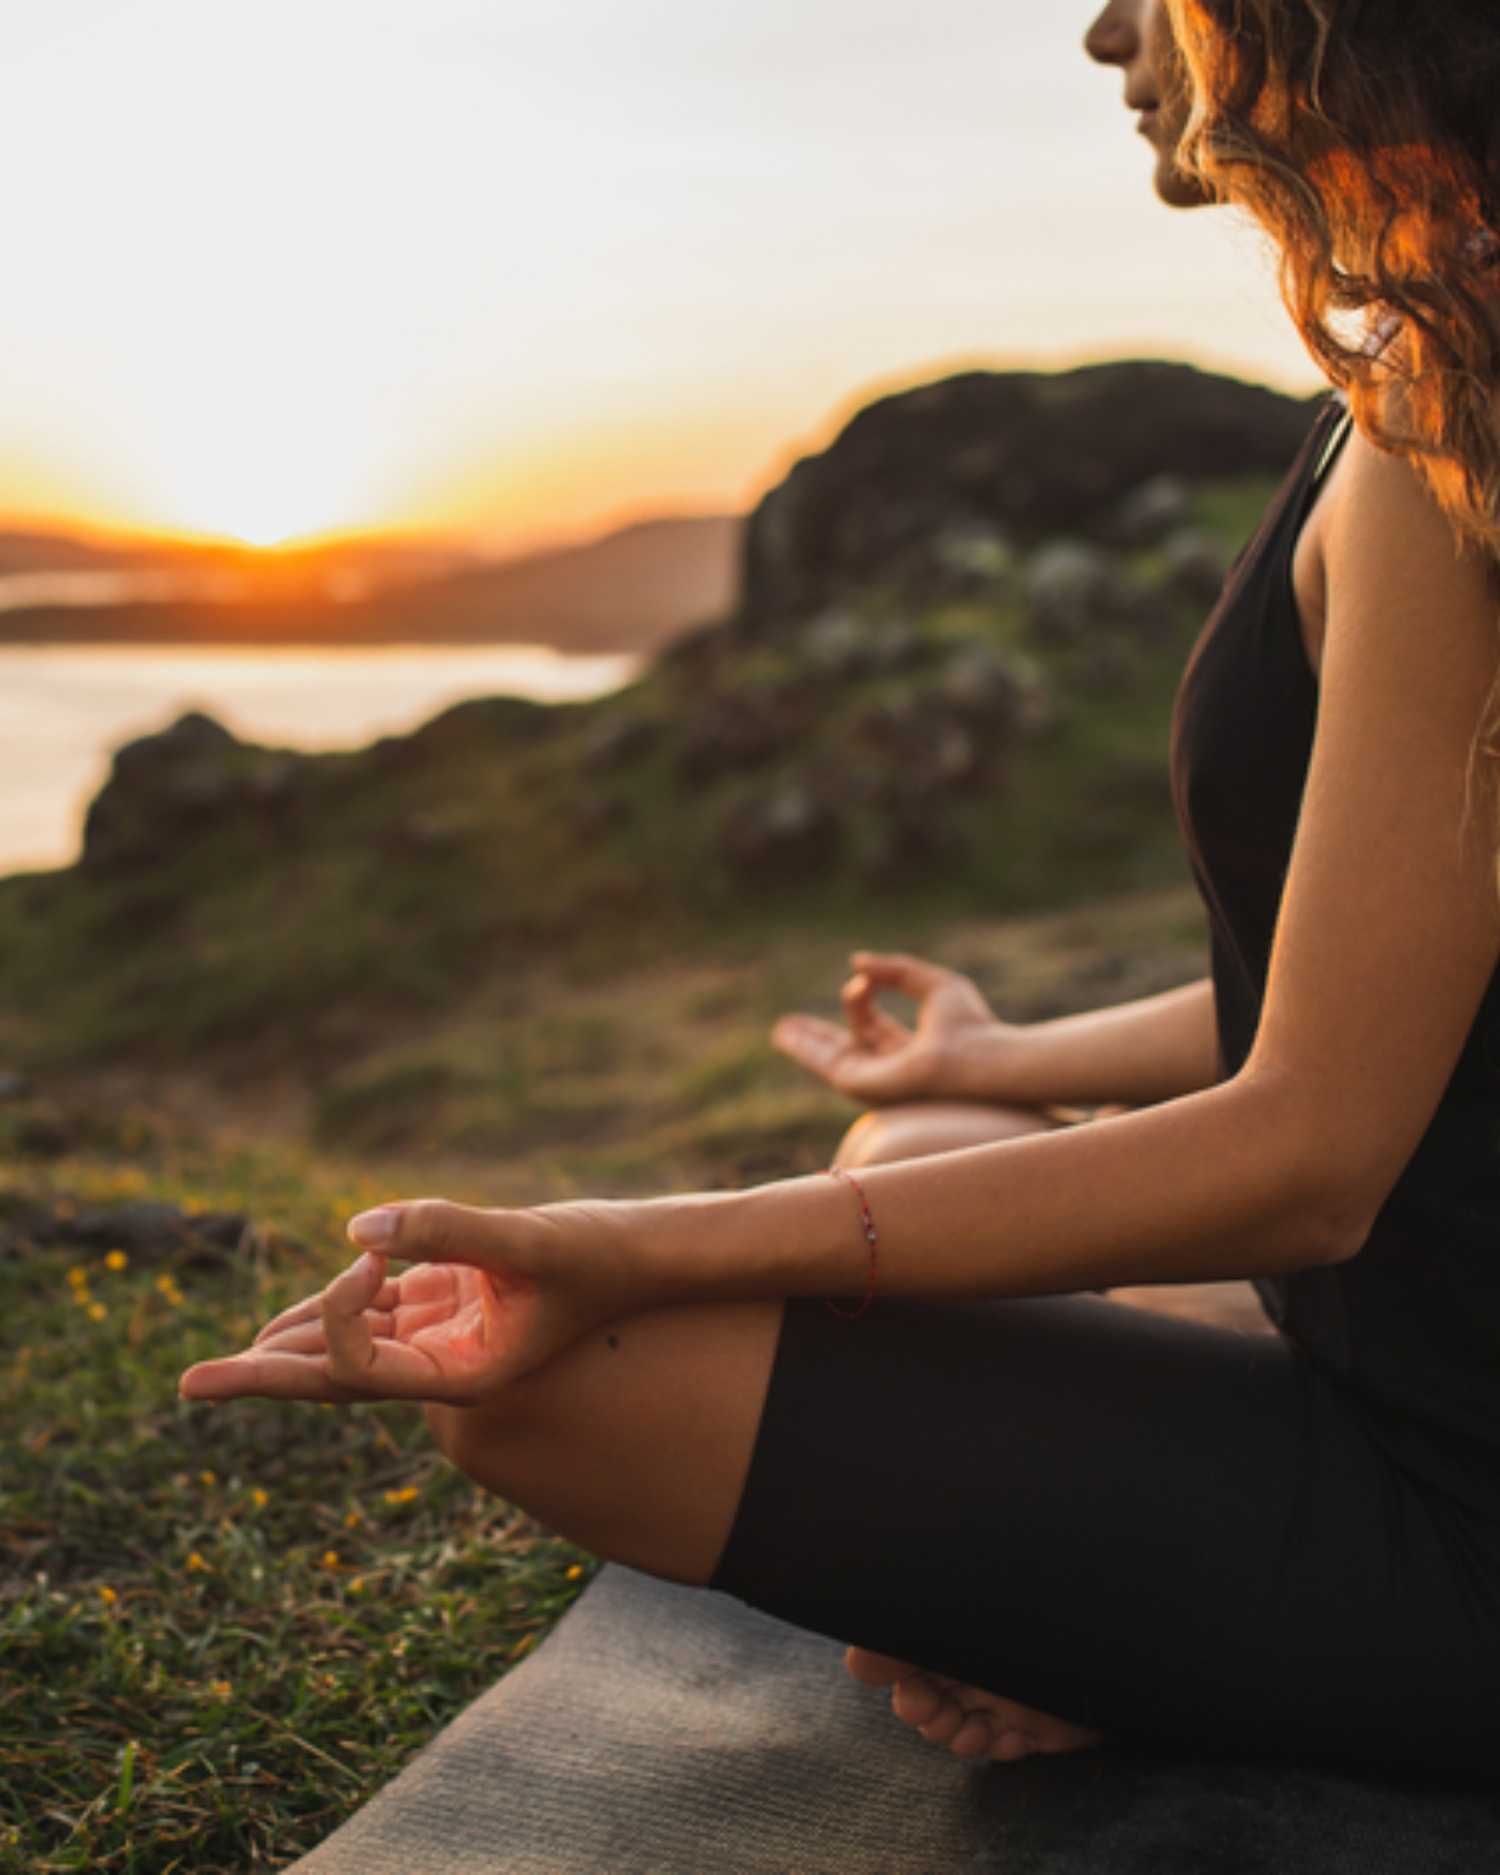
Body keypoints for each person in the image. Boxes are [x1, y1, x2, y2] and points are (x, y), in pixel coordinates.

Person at [181, 0, 1500, 1776]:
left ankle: (1156, 1657)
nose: (1107, 28)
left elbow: (1315, 1154)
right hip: (1404, 1343)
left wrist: (603, 1244)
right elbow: (1392, 981)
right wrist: (1006, 1053)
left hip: (1457, 1488)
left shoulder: (1452, 417)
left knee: (574, 1370)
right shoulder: (1419, 371)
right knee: (929, 1152)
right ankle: (1138, 1615)